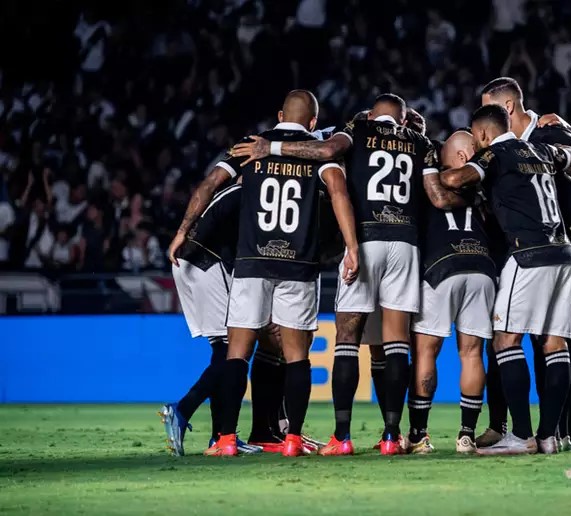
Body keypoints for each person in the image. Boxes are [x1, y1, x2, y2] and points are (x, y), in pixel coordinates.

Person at [231, 93, 438, 456]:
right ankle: (392, 436)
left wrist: (272, 147)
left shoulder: (358, 128)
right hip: (406, 243)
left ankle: (342, 436)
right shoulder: (419, 141)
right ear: (403, 119)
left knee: (347, 335)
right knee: (395, 342)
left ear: (372, 114)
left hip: (367, 235)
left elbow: (326, 152)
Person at [204, 90, 359, 457]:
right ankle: (291, 439)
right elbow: (338, 191)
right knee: (296, 357)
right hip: (299, 263)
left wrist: (183, 231)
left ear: (279, 114)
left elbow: (212, 183)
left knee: (237, 353)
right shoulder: (318, 151)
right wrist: (352, 247)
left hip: (252, 261)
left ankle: (226, 439)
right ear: (313, 122)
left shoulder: (250, 146)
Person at [477, 77, 571, 452]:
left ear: (506, 109)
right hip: (569, 244)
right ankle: (560, 433)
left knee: (551, 335)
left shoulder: (545, 134)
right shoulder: (518, 146)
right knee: (561, 335)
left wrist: (551, 157)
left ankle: (551, 432)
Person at [440, 104, 571, 455]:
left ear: (485, 134)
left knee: (505, 339)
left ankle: (521, 435)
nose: (477, 145)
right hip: (563, 254)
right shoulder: (541, 149)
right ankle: (549, 436)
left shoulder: (495, 154)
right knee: (555, 343)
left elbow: (457, 179)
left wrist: (437, 171)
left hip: (528, 253)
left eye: (477, 138)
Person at [407, 130, 497, 455]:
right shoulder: (485, 185)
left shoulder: (433, 182)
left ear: (459, 157)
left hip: (441, 267)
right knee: (472, 353)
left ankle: (419, 435)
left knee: (426, 351)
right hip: (483, 268)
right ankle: (466, 436)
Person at [161, 180, 261, 456]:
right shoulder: (250, 192)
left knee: (223, 351)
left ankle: (219, 436)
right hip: (208, 264)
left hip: (190, 263)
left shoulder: (228, 192)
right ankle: (182, 409)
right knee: (233, 352)